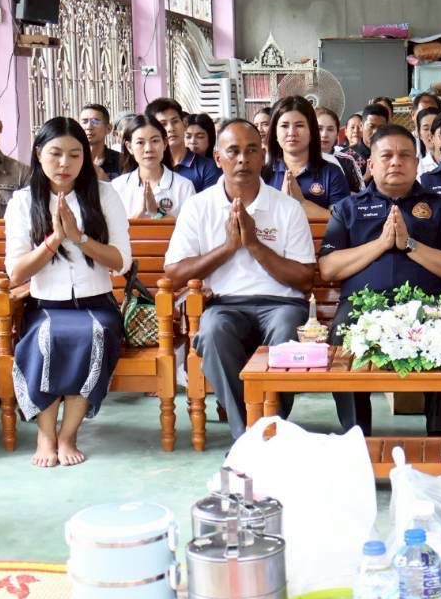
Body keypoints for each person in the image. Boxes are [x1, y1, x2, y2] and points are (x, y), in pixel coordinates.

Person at [164, 119, 316, 439]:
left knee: (288, 328)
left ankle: (270, 427)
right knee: (214, 329)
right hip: (225, 304)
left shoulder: (287, 208)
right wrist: (229, 248)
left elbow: (304, 280)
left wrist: (254, 245)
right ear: (218, 158)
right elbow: (175, 273)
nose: (243, 159)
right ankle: (247, 435)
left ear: (263, 157)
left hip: (282, 303)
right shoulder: (198, 207)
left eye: (251, 151)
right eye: (233, 151)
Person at [319, 124, 441, 437]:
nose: (395, 162)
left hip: (429, 307)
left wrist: (409, 245)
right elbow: (329, 269)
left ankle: (439, 441)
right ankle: (356, 438)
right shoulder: (348, 208)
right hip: (362, 309)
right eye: (386, 155)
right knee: (340, 335)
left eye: (405, 156)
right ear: (371, 164)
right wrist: (381, 244)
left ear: (416, 164)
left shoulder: (440, 206)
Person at [4, 117, 130, 468]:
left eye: (75, 155)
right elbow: (15, 273)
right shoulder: (22, 202)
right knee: (44, 337)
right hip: (45, 306)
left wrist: (79, 238)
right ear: (39, 154)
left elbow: (120, 262)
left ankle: (68, 434)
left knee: (96, 335)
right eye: (56, 153)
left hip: (97, 304)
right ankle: (45, 436)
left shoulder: (105, 195)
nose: (65, 163)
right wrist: (54, 240)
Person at [262, 96, 348, 217]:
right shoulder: (263, 175)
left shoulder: (332, 173)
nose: (292, 132)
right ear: (275, 132)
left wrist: (302, 203)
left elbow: (343, 224)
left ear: (312, 131)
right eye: (284, 126)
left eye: (299, 125)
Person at [114, 113, 195, 219]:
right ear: (129, 147)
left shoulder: (184, 187)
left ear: (165, 143)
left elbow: (190, 231)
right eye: (140, 142)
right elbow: (114, 232)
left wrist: (158, 212)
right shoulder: (118, 186)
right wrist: (139, 212)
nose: (148, 149)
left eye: (155, 141)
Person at [145, 98, 220, 191]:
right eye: (163, 124)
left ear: (184, 124)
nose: (170, 128)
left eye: (175, 121)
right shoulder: (150, 167)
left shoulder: (208, 168)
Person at [315, 106, 362, 193]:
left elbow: (360, 197)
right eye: (319, 129)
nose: (324, 134)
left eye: (330, 129)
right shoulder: (299, 160)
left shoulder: (348, 161)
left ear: (337, 133)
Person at [79, 104, 122, 180]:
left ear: (108, 128)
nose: (89, 127)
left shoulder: (122, 160)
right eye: (85, 122)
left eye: (95, 121)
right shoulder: (74, 160)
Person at [348, 104, 388, 180]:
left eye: (381, 128)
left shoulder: (392, 154)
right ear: (361, 126)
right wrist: (366, 177)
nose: (376, 132)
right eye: (371, 126)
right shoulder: (347, 156)